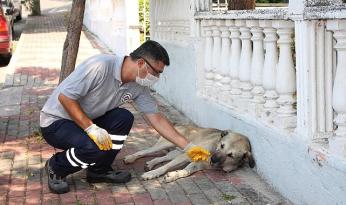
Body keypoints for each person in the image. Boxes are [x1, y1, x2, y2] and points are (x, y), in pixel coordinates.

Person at [40, 40, 210, 194]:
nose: (157, 78)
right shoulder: (100, 66)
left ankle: (99, 171)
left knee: (123, 117)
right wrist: (91, 128)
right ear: (141, 63)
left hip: (87, 119)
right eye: (156, 72)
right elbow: (65, 98)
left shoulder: (138, 86)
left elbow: (156, 118)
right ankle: (57, 166)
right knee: (93, 147)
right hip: (56, 122)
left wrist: (188, 147)